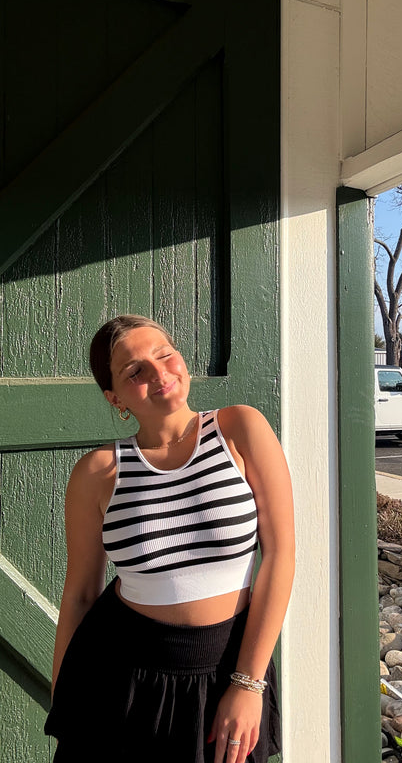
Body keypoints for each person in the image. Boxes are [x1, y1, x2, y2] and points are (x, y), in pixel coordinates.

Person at [45, 315, 295, 763]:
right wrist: (64, 696)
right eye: (134, 371)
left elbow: (280, 553)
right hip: (120, 677)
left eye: (164, 355)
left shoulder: (239, 429)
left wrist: (249, 683)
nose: (159, 373)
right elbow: (81, 594)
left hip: (227, 672)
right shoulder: (97, 472)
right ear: (115, 398)